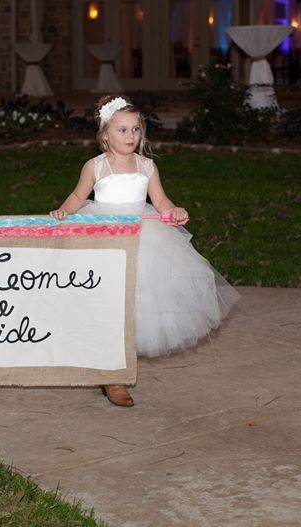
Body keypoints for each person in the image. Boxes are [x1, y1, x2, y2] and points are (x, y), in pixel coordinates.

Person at [50, 95, 240, 407]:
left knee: (135, 309)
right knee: (107, 306)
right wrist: (62, 212)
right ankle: (110, 373)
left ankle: (119, 375)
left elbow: (161, 201)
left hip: (144, 242)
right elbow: (76, 196)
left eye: (135, 130)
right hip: (104, 240)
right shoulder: (95, 167)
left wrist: (172, 210)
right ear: (105, 135)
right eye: (122, 130)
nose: (130, 136)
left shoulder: (147, 166)